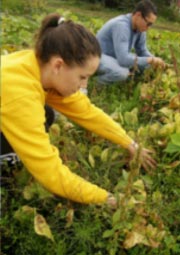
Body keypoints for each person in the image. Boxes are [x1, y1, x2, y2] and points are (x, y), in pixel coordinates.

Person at [1, 13, 156, 208]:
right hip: (12, 103)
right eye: (82, 77)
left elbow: (87, 112)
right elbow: (51, 174)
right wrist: (104, 198)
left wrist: (129, 143)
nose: (84, 85)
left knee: (46, 114)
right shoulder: (21, 95)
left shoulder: (37, 65)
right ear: (59, 65)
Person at [96, 0, 166, 85]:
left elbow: (142, 51)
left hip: (115, 59)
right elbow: (123, 59)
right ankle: (96, 83)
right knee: (122, 73)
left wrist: (155, 61)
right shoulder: (122, 26)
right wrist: (149, 60)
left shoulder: (140, 29)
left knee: (147, 66)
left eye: (151, 25)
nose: (148, 28)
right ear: (138, 15)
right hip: (98, 56)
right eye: (148, 23)